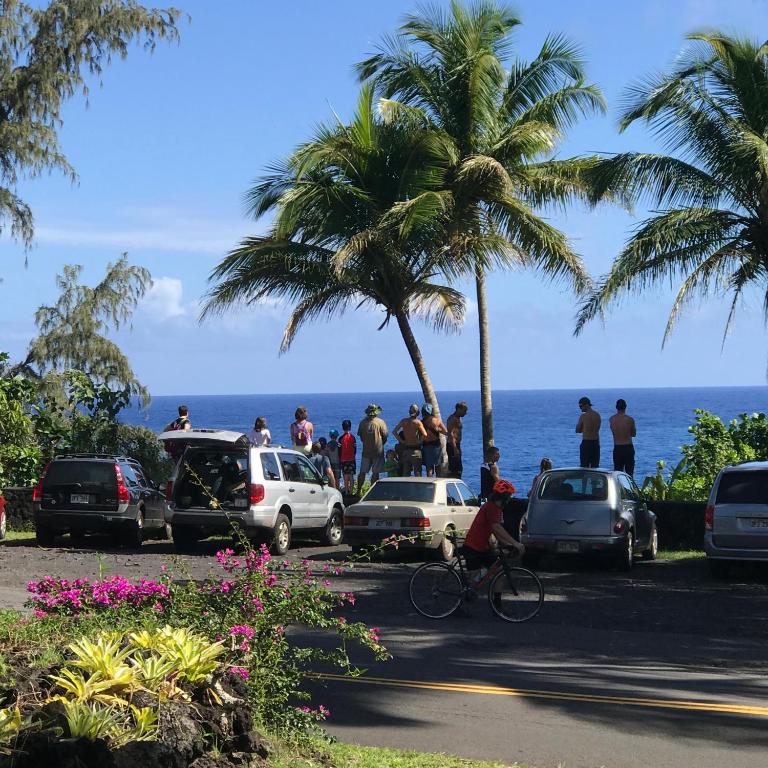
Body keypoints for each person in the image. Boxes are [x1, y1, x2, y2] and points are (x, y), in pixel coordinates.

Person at [462, 479, 525, 607]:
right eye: (509, 497)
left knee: (499, 571)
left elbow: (497, 532)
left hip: (483, 547)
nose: (509, 500)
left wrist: (507, 544)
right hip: (473, 546)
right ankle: (460, 605)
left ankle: (497, 605)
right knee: (472, 581)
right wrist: (515, 543)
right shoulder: (492, 507)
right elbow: (497, 528)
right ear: (504, 497)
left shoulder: (495, 508)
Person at [357, 404, 388, 490]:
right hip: (378, 451)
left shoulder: (362, 422)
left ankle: (358, 490)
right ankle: (372, 491)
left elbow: (361, 437)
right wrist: (381, 444)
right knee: (375, 473)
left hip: (366, 451)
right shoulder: (380, 422)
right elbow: (385, 436)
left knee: (362, 472)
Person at [393, 403, 428, 476]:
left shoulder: (403, 421)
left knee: (406, 473)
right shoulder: (418, 422)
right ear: (417, 413)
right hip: (415, 450)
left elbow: (394, 432)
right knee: (417, 473)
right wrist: (419, 441)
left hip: (406, 450)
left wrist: (402, 441)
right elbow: (425, 434)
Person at [610, 399, 637, 475]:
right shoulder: (630, 420)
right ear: (625, 407)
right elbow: (633, 434)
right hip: (628, 448)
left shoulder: (611, 419)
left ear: (616, 407)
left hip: (617, 448)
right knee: (629, 473)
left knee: (618, 473)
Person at [421, 403, 447, 478]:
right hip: (436, 446)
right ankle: (438, 483)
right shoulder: (436, 420)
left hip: (426, 446)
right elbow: (445, 432)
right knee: (438, 467)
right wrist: (438, 429)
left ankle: (429, 483)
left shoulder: (421, 422)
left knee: (429, 469)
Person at [576, 397, 601, 468]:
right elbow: (597, 429)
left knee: (584, 467)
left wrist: (584, 428)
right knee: (595, 467)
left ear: (586, 405)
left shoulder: (583, 416)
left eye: (581, 406)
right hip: (596, 443)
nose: (580, 408)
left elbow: (577, 430)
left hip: (586, 443)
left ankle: (584, 480)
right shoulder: (597, 415)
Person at [446, 401, 468, 478]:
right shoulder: (452, 419)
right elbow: (450, 434)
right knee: (454, 468)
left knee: (458, 468)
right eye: (464, 410)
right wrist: (455, 448)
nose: (466, 413)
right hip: (452, 445)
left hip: (457, 445)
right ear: (459, 409)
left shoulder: (458, 418)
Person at [338, 419, 357, 495]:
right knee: (351, 476)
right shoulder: (353, 437)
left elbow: (339, 450)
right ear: (350, 427)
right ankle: (351, 492)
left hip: (343, 459)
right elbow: (355, 449)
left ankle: (346, 492)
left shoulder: (340, 438)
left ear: (343, 428)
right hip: (351, 459)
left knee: (345, 476)